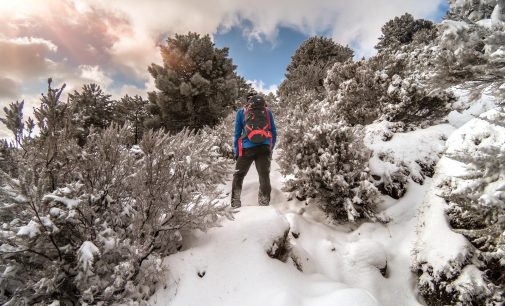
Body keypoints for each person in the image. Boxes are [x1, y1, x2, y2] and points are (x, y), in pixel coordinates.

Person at [231, 91, 277, 208]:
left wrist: (237, 152)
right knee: (264, 175)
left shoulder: (241, 112)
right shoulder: (267, 112)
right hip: (264, 147)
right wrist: (270, 148)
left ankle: (235, 203)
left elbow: (237, 134)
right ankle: (264, 203)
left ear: (248, 101)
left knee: (238, 175)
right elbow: (273, 132)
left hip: (247, 148)